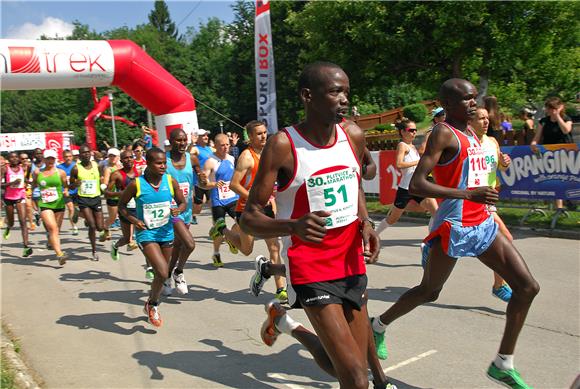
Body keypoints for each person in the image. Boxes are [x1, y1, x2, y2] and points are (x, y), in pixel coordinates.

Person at [370, 79, 539, 389]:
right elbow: (418, 184)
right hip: (455, 225)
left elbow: (473, 171)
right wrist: (467, 194)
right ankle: (378, 325)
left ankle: (503, 363)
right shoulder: (443, 133)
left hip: (483, 222)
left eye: (474, 98)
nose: (473, 104)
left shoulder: (473, 133)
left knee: (527, 287)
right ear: (447, 104)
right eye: (466, 99)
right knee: (429, 291)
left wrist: (490, 180)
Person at [241, 62, 395, 389]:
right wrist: (293, 225)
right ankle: (290, 324)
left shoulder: (352, 134)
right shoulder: (283, 145)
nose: (344, 99)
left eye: (346, 92)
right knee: (355, 378)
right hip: (311, 268)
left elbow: (353, 182)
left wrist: (365, 222)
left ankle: (287, 325)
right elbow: (250, 217)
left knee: (347, 364)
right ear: (307, 96)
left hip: (351, 261)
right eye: (335, 91)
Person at [212, 120, 287, 301]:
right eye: (259, 134)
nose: (263, 136)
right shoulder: (247, 156)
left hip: (266, 207)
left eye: (264, 132)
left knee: (274, 247)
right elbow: (234, 184)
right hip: (246, 209)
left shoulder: (269, 153)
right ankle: (222, 229)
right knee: (246, 250)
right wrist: (255, 199)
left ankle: (280, 290)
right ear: (250, 137)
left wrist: (270, 200)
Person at [118, 147, 186, 328]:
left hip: (166, 232)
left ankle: (150, 302)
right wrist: (134, 220)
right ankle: (154, 306)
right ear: (148, 163)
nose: (163, 166)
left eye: (165, 162)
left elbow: (183, 202)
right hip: (146, 233)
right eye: (159, 163)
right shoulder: (136, 184)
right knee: (163, 272)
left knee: (160, 274)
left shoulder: (170, 181)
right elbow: (122, 207)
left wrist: (178, 209)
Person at [470, 107, 514, 302]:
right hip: (470, 199)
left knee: (505, 239)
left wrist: (505, 161)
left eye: (487, 118)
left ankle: (499, 285)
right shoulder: (465, 142)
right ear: (470, 121)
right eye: (481, 118)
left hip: (487, 199)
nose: (486, 121)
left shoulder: (492, 142)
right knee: (503, 239)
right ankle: (431, 245)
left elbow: (501, 165)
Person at [375, 118, 438, 236]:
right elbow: (399, 164)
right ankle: (374, 235)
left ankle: (432, 240)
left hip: (417, 187)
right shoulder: (402, 145)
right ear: (403, 132)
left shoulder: (413, 147)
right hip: (406, 189)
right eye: (411, 130)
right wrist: (417, 163)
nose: (414, 132)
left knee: (435, 211)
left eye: (415, 130)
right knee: (392, 219)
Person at [164, 129, 200, 295]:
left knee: (177, 246)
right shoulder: (164, 161)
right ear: (171, 141)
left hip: (186, 209)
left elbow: (200, 180)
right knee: (189, 244)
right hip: (170, 210)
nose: (182, 143)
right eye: (178, 140)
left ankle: (166, 277)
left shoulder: (192, 159)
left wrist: (206, 181)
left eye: (184, 140)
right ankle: (179, 272)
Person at [200, 133, 240, 267]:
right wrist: (212, 184)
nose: (225, 147)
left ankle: (230, 237)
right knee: (219, 228)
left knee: (242, 223)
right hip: (218, 200)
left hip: (233, 197)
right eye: (222, 145)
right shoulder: (210, 161)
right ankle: (216, 253)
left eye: (227, 144)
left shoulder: (231, 158)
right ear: (216, 146)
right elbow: (202, 183)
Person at [531, 96, 573, 210]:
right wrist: (534, 143)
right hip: (549, 154)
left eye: (552, 108)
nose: (550, 111)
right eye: (548, 108)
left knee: (567, 178)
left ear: (559, 108)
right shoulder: (543, 121)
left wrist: (558, 116)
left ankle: (569, 201)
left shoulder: (566, 118)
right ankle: (559, 207)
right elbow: (537, 137)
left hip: (566, 154)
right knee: (555, 179)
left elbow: (566, 130)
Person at [32, 149, 68, 265]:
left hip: (59, 203)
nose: (50, 161)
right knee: (53, 228)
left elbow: (65, 185)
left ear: (55, 159)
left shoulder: (60, 172)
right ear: (44, 159)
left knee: (57, 229)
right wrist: (32, 197)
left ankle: (50, 241)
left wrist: (66, 191)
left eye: (52, 158)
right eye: (48, 158)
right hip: (45, 204)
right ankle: (59, 254)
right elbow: (33, 185)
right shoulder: (38, 172)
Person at [70, 145, 105, 261]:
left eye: (88, 152)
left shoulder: (96, 165)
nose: (86, 154)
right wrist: (75, 184)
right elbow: (70, 185)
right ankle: (94, 250)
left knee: (100, 227)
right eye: (83, 153)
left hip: (96, 198)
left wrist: (102, 183)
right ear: (79, 156)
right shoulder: (76, 168)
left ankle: (79, 214)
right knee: (92, 225)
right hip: (83, 199)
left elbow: (101, 178)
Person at [108, 150, 140, 260]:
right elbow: (107, 193)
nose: (129, 159)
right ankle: (115, 246)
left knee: (144, 237)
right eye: (126, 158)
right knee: (127, 239)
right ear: (121, 160)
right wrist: (120, 193)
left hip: (139, 208)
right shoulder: (116, 174)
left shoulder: (139, 173)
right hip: (125, 209)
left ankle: (150, 267)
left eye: (131, 157)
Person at [1, 152, 32, 257]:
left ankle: (26, 247)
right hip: (8, 198)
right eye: (11, 157)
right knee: (12, 222)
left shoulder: (23, 168)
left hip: (20, 197)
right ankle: (8, 227)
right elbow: (1, 184)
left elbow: (26, 179)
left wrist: (28, 182)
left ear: (18, 159)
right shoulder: (5, 169)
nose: (14, 159)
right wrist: (11, 184)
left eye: (15, 157)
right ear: (8, 159)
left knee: (23, 221)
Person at [100, 148, 122, 242]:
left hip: (123, 195)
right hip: (113, 196)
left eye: (114, 156)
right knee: (112, 218)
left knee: (127, 216)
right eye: (111, 156)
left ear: (118, 157)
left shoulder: (122, 166)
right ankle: (105, 227)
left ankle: (130, 240)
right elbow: (105, 183)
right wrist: (104, 187)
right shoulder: (108, 169)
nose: (112, 158)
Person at [191, 129, 213, 221]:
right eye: (203, 135)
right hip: (199, 182)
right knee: (198, 207)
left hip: (210, 181)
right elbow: (188, 155)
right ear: (198, 138)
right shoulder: (196, 148)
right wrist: (192, 143)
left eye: (207, 135)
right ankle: (190, 216)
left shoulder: (210, 148)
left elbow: (222, 152)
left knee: (213, 203)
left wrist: (231, 145)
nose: (206, 137)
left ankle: (217, 224)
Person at [57, 150, 79, 236]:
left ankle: (85, 219)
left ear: (72, 157)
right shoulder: (59, 167)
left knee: (79, 209)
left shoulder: (76, 166)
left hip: (77, 191)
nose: (68, 158)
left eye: (69, 156)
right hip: (66, 191)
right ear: (63, 158)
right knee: (70, 208)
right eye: (66, 157)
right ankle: (74, 227)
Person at [30, 148, 45, 226]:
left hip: (45, 188)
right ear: (34, 155)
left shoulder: (46, 163)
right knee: (38, 206)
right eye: (37, 154)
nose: (39, 155)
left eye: (40, 153)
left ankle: (40, 215)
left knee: (44, 206)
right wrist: (29, 181)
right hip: (35, 189)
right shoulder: (31, 165)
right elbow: (26, 177)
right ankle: (38, 214)